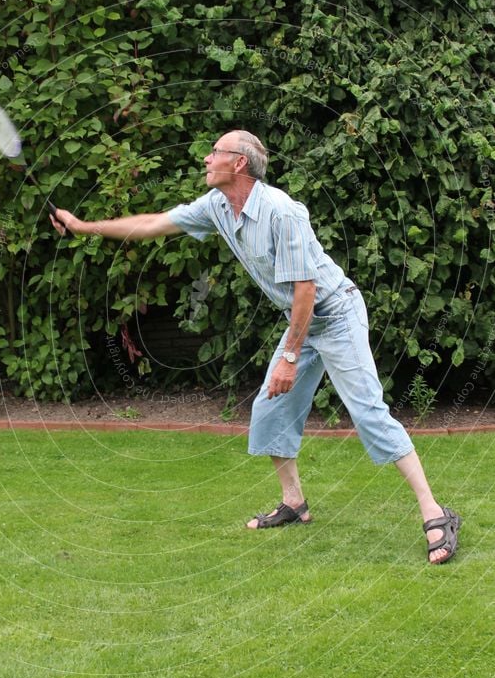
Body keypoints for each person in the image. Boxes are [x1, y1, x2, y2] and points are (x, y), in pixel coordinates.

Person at [50, 130, 461, 564]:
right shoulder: (217, 206)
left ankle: (436, 514)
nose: (206, 159)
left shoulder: (282, 212)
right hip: (302, 321)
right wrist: (83, 226)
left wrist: (288, 357)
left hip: (335, 315)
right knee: (269, 409)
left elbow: (306, 287)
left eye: (215, 152)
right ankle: (294, 502)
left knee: (368, 413)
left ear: (239, 163)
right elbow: (155, 223)